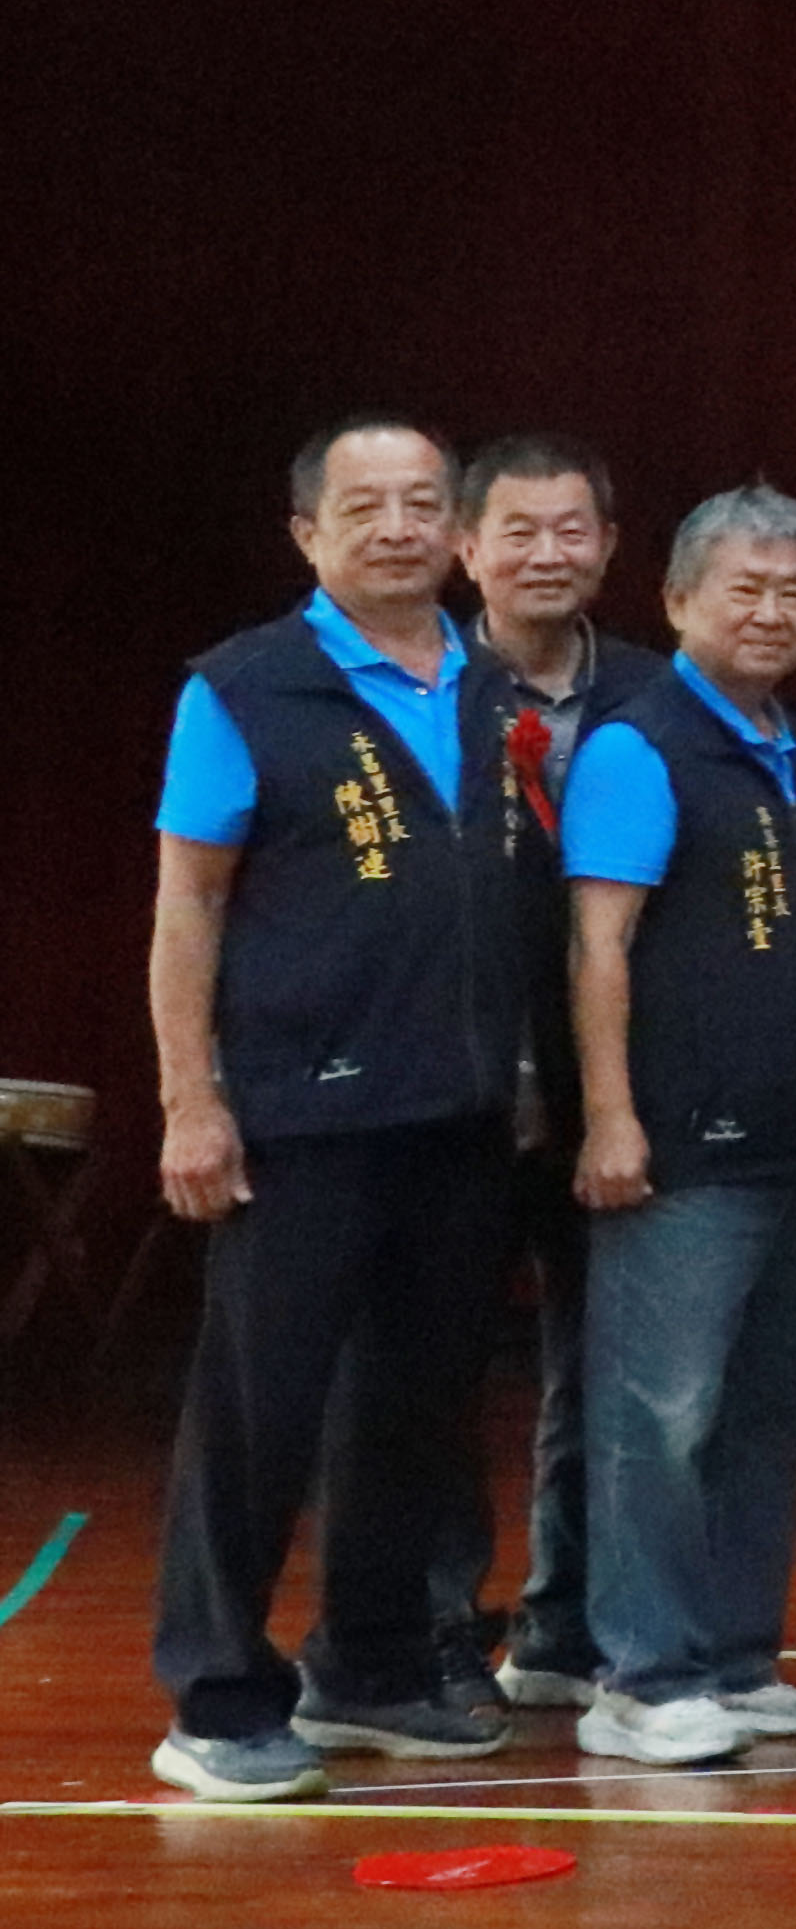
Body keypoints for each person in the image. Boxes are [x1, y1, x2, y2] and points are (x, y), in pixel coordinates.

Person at [144, 417, 526, 1800]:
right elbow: (188, 904)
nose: (399, 527)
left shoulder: (494, 686)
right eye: (365, 506)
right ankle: (215, 1697)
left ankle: (369, 1665)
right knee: (260, 1412)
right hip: (299, 1114)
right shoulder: (246, 688)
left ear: (456, 529)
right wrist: (193, 1098)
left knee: (414, 1410)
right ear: (308, 532)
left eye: (423, 502)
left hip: (458, 1112)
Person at [559, 487, 796, 1772]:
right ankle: (641, 1676)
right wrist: (610, 1117)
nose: (770, 612)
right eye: (743, 588)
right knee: (659, 1413)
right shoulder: (638, 744)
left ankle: (736, 1658)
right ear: (677, 599)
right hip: (683, 1147)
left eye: (793, 591)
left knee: (765, 1415)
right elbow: (599, 945)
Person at [439, 429, 658, 1723]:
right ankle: (433, 1632)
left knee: (594, 1371)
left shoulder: (657, 697)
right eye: (516, 530)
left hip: (606, 1096)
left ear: (611, 547)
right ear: (466, 545)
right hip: (452, 1090)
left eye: (572, 528)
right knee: (432, 1372)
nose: (546, 552)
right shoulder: (421, 693)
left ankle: (562, 1625)